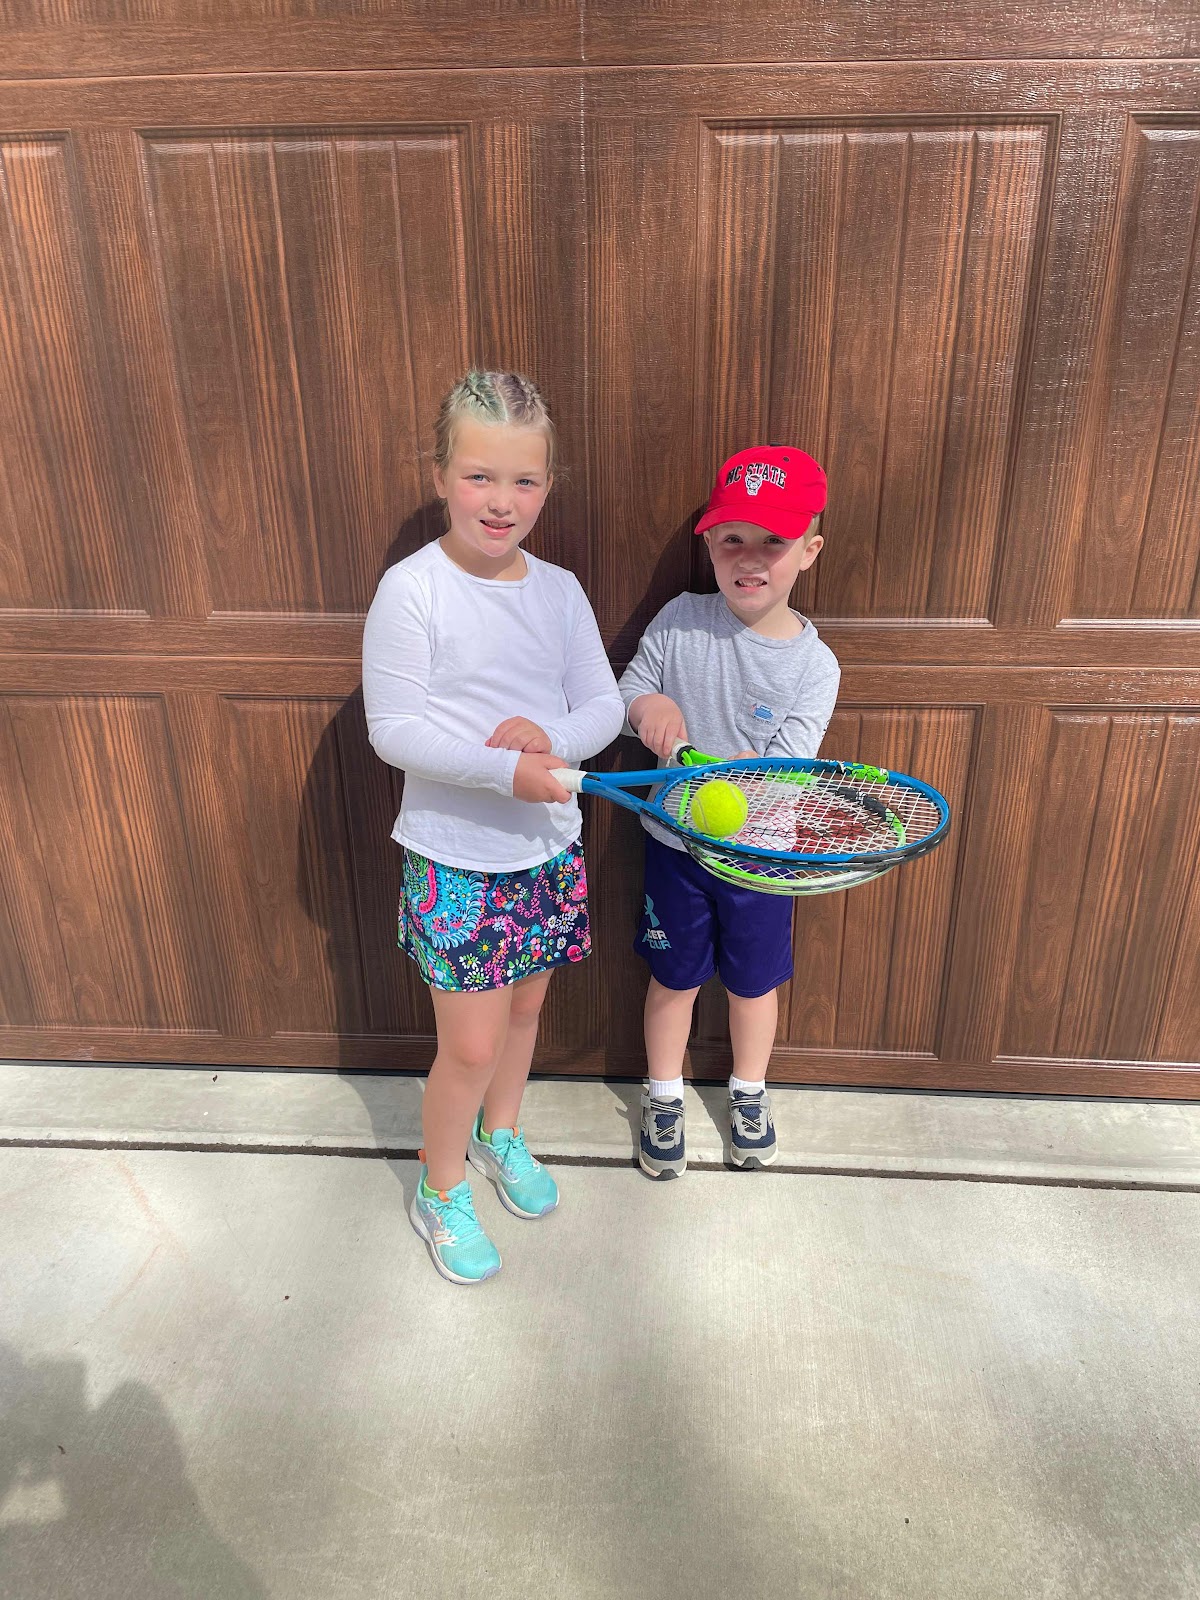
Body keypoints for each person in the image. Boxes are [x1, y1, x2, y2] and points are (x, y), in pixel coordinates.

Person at [362, 370, 624, 1284]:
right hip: (455, 859)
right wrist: (504, 769)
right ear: (440, 475)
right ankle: (440, 1189)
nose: (501, 501)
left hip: (545, 848)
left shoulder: (560, 591)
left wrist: (550, 739)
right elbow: (393, 730)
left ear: (548, 486)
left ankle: (498, 1134)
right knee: (469, 1045)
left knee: (524, 1012)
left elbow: (603, 704)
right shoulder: (412, 589)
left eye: (524, 480)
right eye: (479, 476)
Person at [618, 445, 840, 1177]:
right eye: (732, 537)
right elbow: (626, 694)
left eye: (773, 540)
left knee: (754, 985)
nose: (749, 557)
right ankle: (663, 1096)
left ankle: (749, 1092)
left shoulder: (816, 666)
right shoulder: (680, 619)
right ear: (710, 542)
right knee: (673, 980)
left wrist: (744, 785)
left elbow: (792, 771)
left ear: (808, 551)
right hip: (673, 849)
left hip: (760, 860)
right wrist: (647, 708)